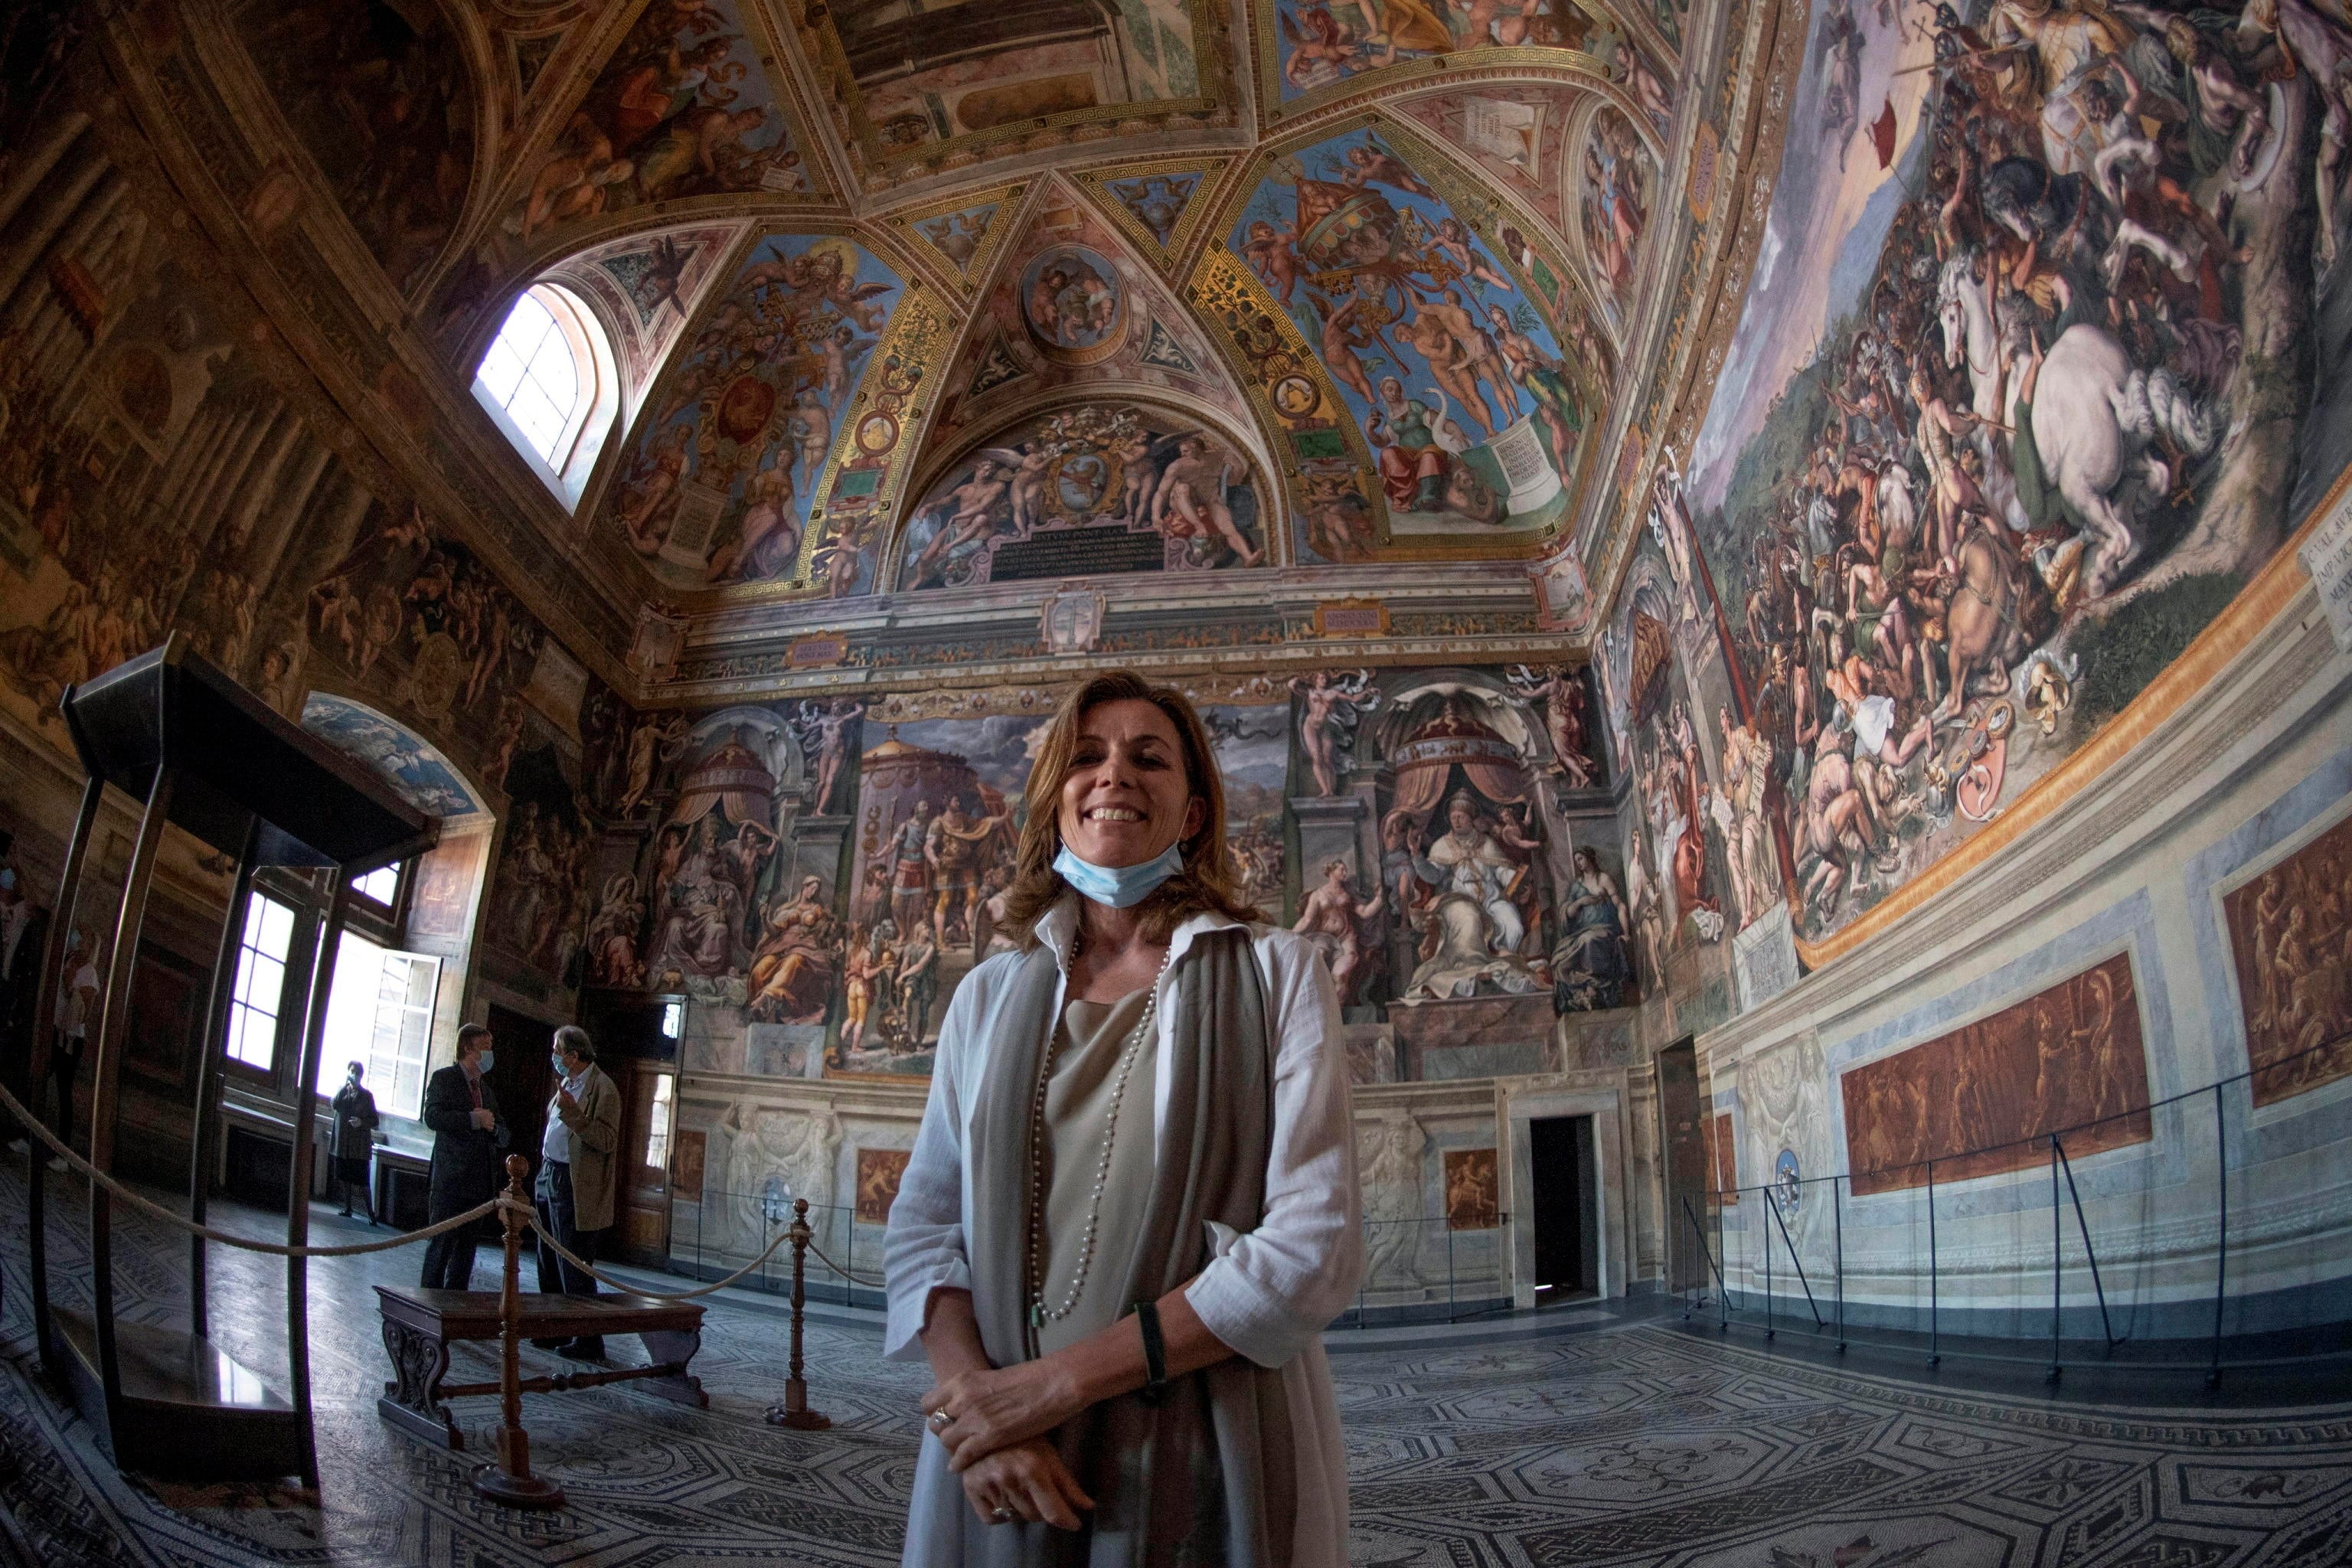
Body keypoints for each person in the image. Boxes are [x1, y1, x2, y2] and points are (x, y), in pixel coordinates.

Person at [886, 671, 1363, 1565]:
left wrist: (1050, 1386)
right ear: (1055, 801)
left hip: (1204, 1437)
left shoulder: (1277, 973)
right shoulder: (987, 995)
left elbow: (1313, 1242)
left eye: (1150, 757)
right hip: (1002, 1456)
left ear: (1191, 812)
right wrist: (979, 1415)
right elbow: (924, 1226)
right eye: (1087, 756)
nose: (1115, 774)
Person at [532, 1025, 622, 1359]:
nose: (554, 1055)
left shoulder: (604, 1088)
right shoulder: (567, 1082)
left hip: (575, 1185)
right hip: (548, 1172)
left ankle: (588, 1340)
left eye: (558, 1049)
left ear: (574, 1054)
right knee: (547, 1258)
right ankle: (555, 1328)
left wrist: (574, 1115)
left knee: (573, 1261)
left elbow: (607, 1140)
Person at [419, 1023, 508, 1290]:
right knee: (440, 1248)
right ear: (469, 1048)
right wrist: (472, 1120)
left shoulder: (486, 1091)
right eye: (486, 1047)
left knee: (465, 1256)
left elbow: (503, 1131)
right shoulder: (444, 1079)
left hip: (478, 1186)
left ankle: (454, 1308)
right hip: (450, 1181)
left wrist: (493, 1128)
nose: (491, 1053)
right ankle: (427, 1309)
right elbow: (433, 1117)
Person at [330, 1060, 381, 1222]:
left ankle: (371, 1214)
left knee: (362, 1180)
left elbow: (375, 1120)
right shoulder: (342, 1092)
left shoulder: (367, 1096)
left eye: (357, 1073)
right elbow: (334, 1104)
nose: (354, 1075)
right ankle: (348, 1208)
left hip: (358, 1147)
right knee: (345, 1177)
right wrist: (345, 1088)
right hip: (343, 1144)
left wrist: (361, 1122)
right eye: (352, 1071)